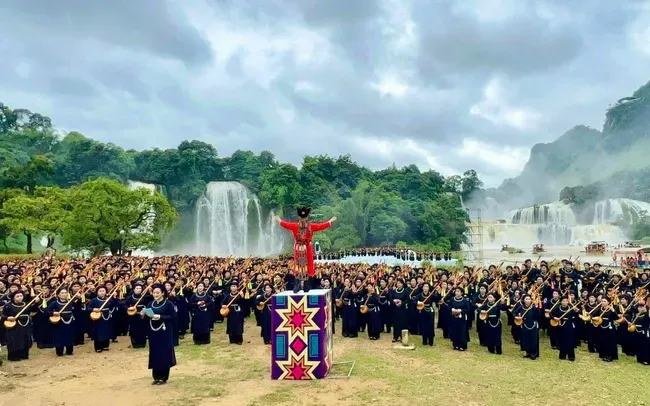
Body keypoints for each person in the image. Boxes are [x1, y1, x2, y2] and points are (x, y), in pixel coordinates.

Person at [274, 207, 336, 293]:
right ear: (299, 218)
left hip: (307, 248)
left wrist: (329, 222)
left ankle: (307, 287)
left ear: (307, 218)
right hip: (298, 249)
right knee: (298, 267)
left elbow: (320, 226)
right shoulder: (295, 226)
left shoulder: (311, 227)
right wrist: (279, 220)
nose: (303, 219)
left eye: (305, 218)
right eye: (302, 218)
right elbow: (286, 224)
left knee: (308, 267)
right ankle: (297, 287)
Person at [142, 284, 177, 385]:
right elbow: (147, 317)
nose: (156, 294)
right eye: (154, 293)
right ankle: (156, 376)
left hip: (164, 331)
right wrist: (144, 315)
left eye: (158, 293)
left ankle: (163, 377)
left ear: (163, 293)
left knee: (164, 352)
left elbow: (173, 317)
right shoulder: (150, 304)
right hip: (153, 332)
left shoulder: (168, 304)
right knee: (155, 352)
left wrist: (160, 317)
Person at [1, 290, 37, 361]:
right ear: (13, 298)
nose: (20, 298)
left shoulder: (26, 304)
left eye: (21, 296)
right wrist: (8, 318)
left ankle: (24, 354)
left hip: (25, 325)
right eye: (17, 296)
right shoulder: (9, 306)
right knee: (14, 340)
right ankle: (14, 356)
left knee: (25, 339)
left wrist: (36, 303)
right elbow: (2, 315)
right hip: (14, 326)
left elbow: (34, 310)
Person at [47, 287, 76, 356]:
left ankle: (69, 350)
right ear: (58, 295)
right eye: (62, 293)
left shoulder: (70, 302)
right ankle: (59, 351)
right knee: (59, 336)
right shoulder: (55, 303)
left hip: (69, 322)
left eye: (65, 293)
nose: (64, 294)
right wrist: (53, 313)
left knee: (69, 335)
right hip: (59, 323)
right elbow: (47, 311)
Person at [448, 287, 470, 351]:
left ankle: (462, 345)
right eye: (456, 291)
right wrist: (452, 309)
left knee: (462, 331)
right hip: (454, 317)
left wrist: (461, 310)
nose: (456, 293)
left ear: (461, 293)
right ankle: (455, 344)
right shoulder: (452, 299)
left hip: (462, 318)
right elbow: (449, 306)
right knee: (454, 330)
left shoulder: (464, 300)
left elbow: (468, 309)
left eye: (458, 291)